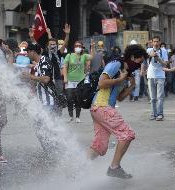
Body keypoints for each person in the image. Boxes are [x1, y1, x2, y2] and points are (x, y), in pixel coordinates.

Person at [87, 44, 147, 179]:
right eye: (140, 61)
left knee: (100, 146)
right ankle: (114, 168)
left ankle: (79, 168)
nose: (139, 65)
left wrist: (131, 86)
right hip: (102, 106)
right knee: (127, 134)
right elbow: (101, 83)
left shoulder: (126, 72)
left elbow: (119, 97)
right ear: (132, 57)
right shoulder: (116, 64)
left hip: (101, 109)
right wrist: (120, 79)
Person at [42, 24, 70, 116]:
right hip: (48, 78)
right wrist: (49, 33)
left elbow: (65, 44)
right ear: (48, 45)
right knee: (49, 95)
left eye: (55, 44)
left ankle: (58, 114)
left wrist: (67, 35)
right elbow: (51, 41)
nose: (53, 45)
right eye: (51, 45)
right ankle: (49, 113)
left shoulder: (58, 53)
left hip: (57, 79)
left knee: (59, 96)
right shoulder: (46, 53)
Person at [63, 40, 92, 123]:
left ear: (82, 48)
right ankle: (70, 116)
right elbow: (65, 67)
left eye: (79, 46)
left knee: (78, 99)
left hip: (80, 81)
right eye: (76, 46)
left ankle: (77, 117)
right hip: (70, 80)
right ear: (74, 47)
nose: (78, 47)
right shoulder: (69, 55)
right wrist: (65, 77)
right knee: (69, 98)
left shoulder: (84, 56)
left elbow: (92, 56)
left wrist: (92, 47)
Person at [147, 36, 169, 121]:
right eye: (154, 42)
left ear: (160, 42)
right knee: (152, 98)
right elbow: (148, 54)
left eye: (157, 41)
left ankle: (160, 114)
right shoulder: (149, 50)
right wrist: (152, 54)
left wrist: (158, 58)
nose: (155, 43)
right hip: (151, 75)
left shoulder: (164, 51)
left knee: (160, 97)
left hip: (160, 76)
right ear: (152, 42)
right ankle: (153, 114)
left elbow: (165, 64)